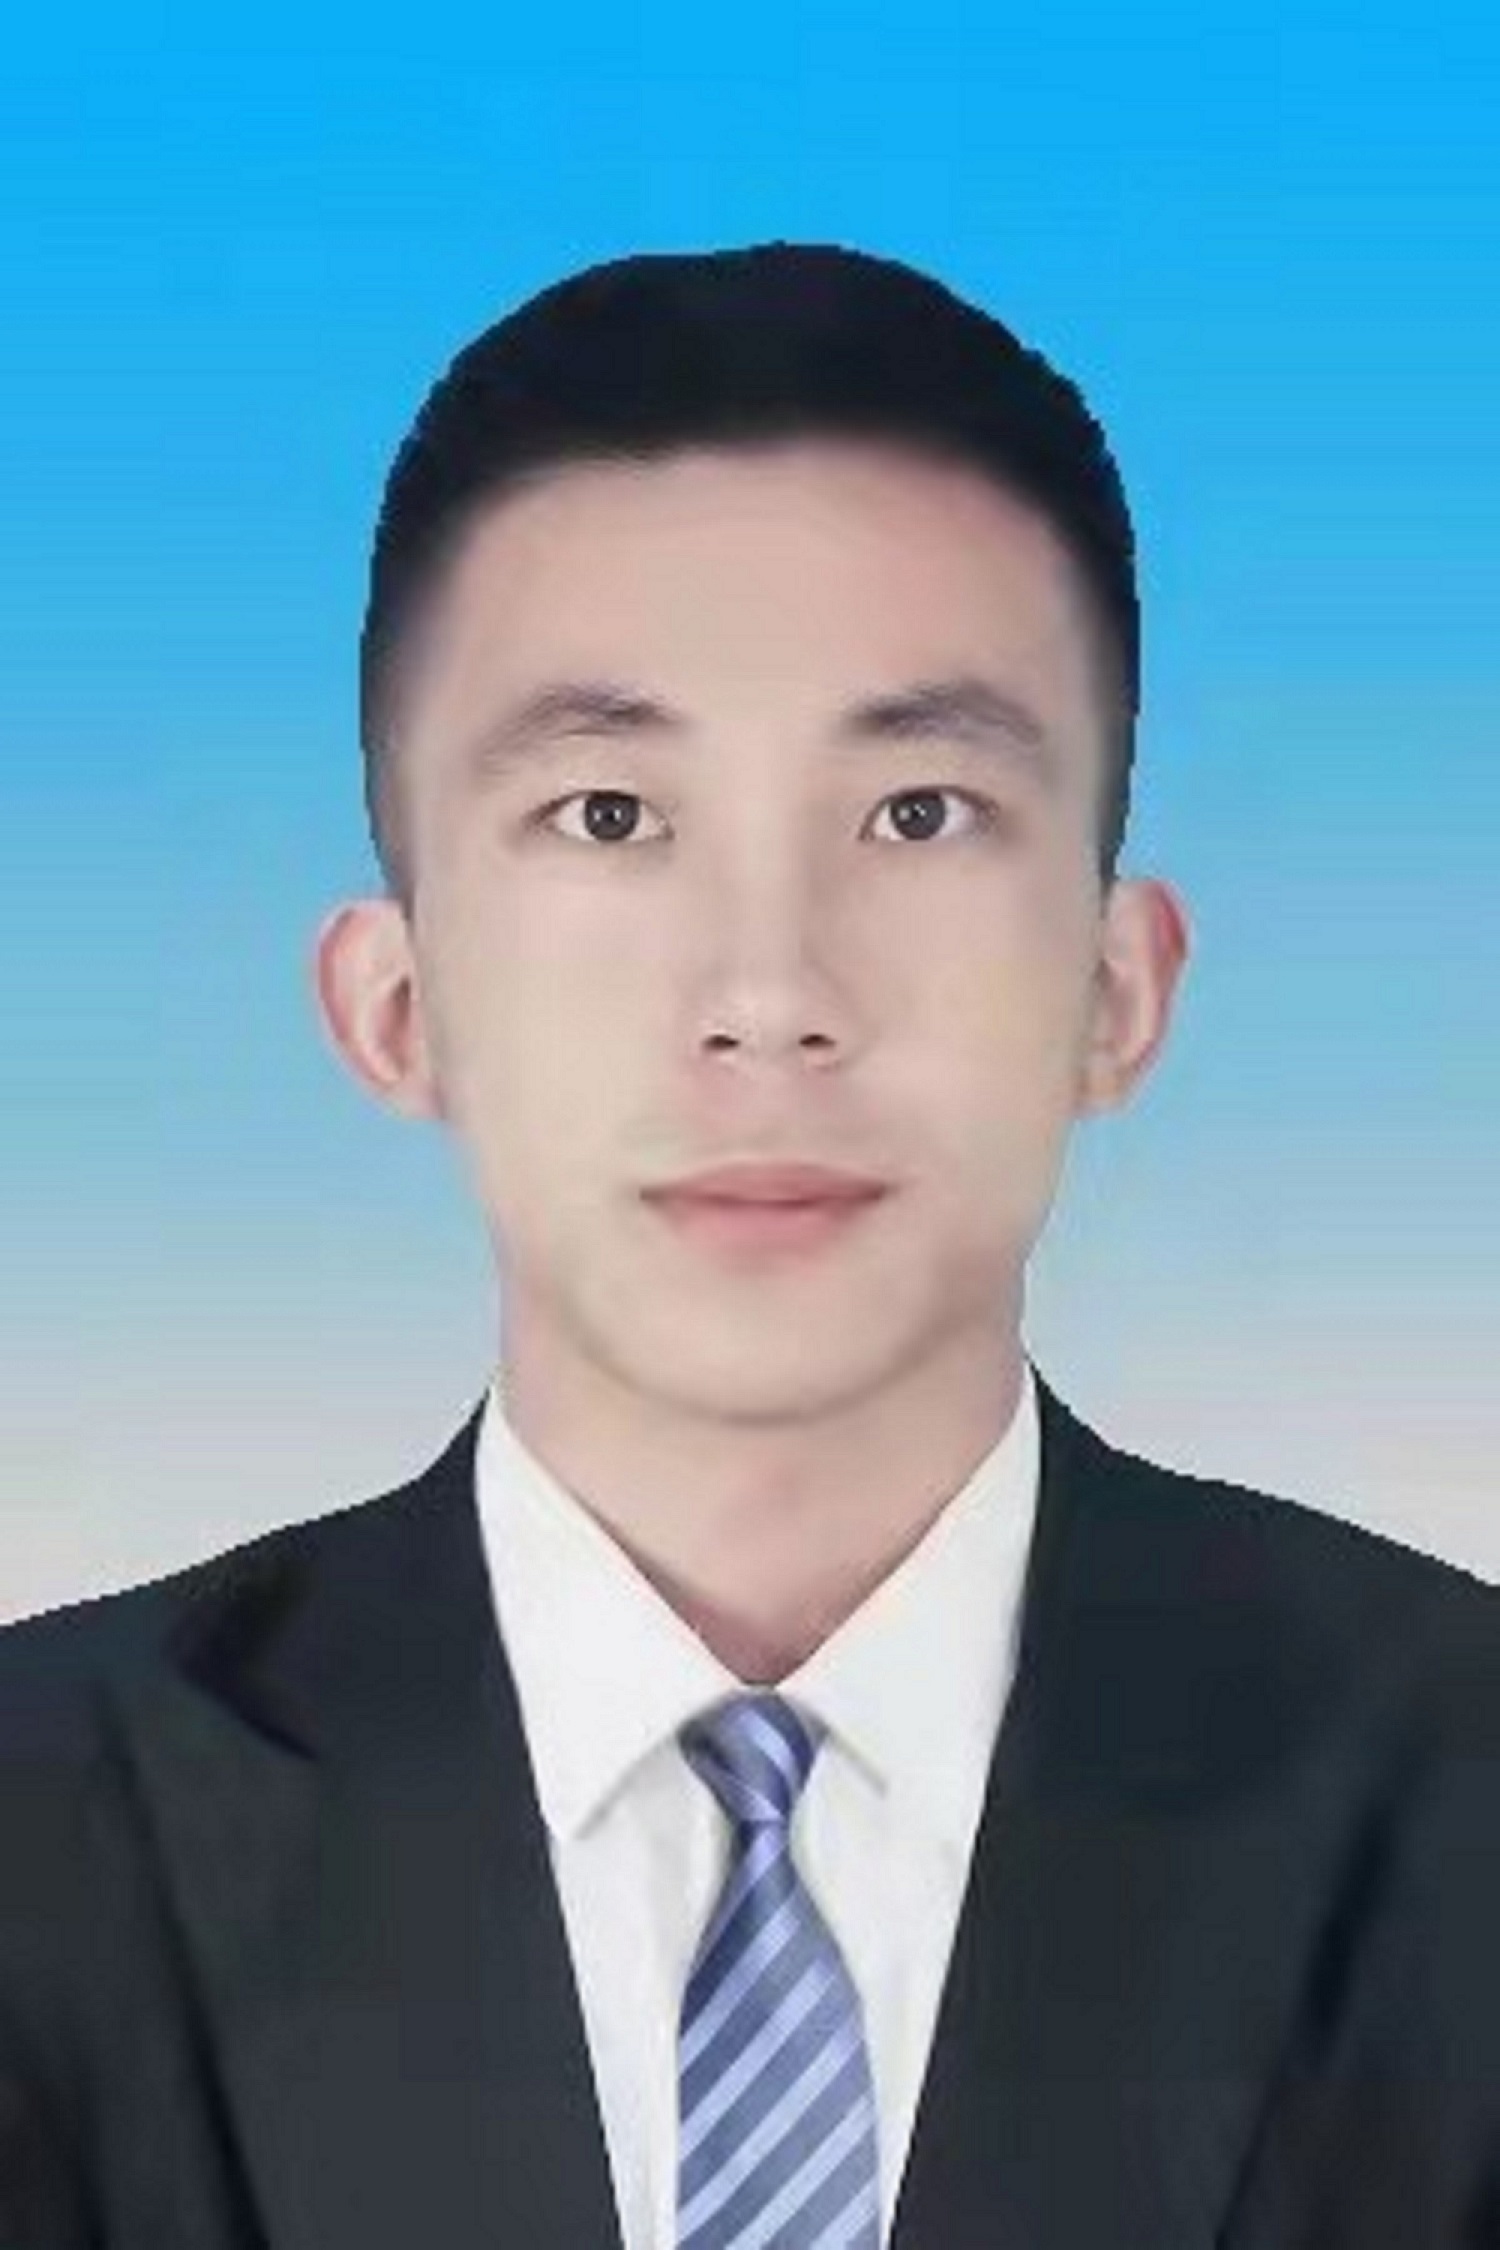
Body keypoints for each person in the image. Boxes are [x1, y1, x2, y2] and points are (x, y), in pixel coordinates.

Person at [2, 241, 1497, 2250]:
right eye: (611, 816)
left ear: (1119, 988)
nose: (770, 996)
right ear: (394, 1006)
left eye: (919, 813)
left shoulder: (1463, 1805)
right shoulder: (40, 1836)